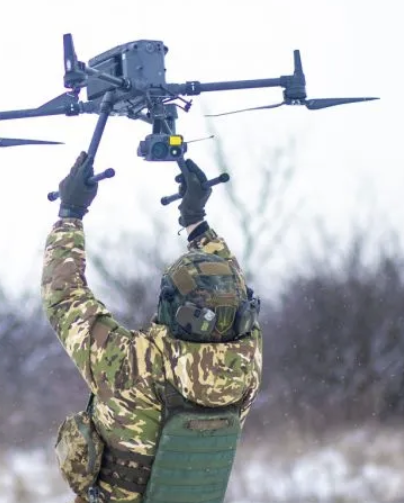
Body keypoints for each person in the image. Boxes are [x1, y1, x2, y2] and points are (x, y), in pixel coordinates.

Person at [41, 151, 263, 503]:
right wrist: (196, 221)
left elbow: (64, 297)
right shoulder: (247, 363)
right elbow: (227, 288)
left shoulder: (134, 363)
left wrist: (70, 214)